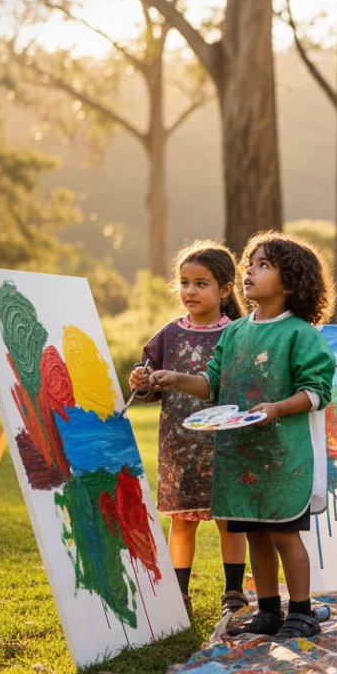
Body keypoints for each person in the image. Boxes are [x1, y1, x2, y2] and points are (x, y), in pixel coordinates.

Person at [149, 231, 336, 638]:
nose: (249, 270)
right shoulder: (233, 333)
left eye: (263, 265)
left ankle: (301, 612)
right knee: (255, 535)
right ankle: (268, 611)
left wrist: (277, 408)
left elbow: (316, 391)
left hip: (283, 456)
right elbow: (212, 383)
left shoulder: (300, 334)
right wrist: (178, 378)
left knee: (285, 534)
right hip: (240, 456)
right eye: (249, 262)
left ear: (290, 283)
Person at [128, 241, 248, 618]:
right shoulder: (168, 335)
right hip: (179, 444)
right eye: (184, 283)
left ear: (225, 289)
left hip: (226, 443)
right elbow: (148, 388)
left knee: (229, 521)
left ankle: (233, 592)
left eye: (201, 283)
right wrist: (141, 381)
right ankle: (178, 594)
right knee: (181, 522)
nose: (190, 292)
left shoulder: (239, 334)